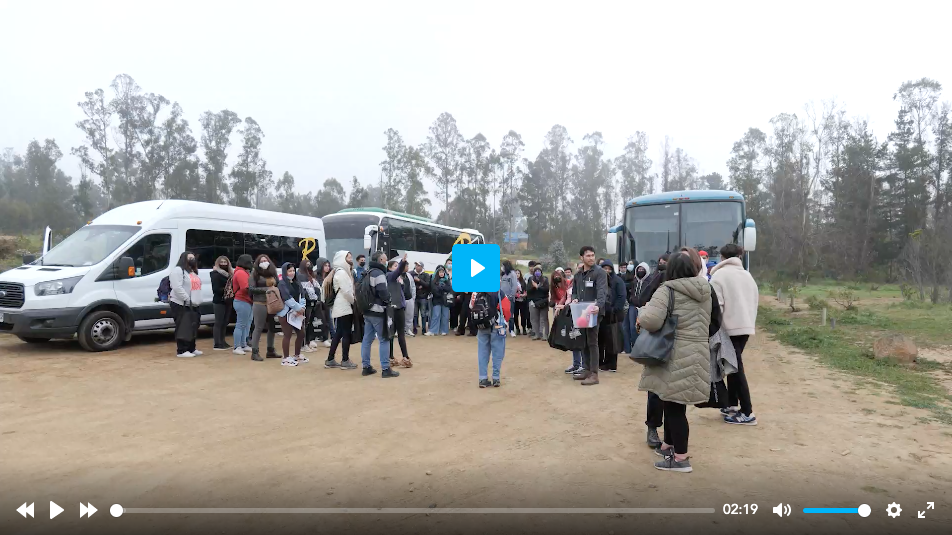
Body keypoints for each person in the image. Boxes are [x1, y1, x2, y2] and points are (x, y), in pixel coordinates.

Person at [636, 251, 714, 473]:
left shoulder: (667, 289)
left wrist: (643, 313)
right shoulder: (706, 290)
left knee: (674, 408)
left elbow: (652, 321)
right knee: (674, 403)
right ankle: (668, 445)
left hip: (674, 352)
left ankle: (680, 458)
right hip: (697, 350)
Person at [710, 244, 759, 426]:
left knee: (735, 368)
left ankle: (747, 412)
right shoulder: (747, 275)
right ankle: (731, 404)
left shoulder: (719, 276)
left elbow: (717, 306)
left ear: (722, 257)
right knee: (732, 366)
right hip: (745, 327)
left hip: (728, 329)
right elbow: (754, 301)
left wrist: (714, 329)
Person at [569, 246, 607, 385]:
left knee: (592, 342)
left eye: (592, 255)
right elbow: (574, 291)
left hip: (594, 312)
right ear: (581, 258)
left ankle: (594, 374)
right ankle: (586, 369)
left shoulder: (599, 272)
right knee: (583, 341)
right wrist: (574, 299)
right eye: (588, 256)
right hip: (581, 311)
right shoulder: (578, 275)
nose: (591, 258)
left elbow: (602, 291)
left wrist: (598, 305)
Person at [359, 251, 399, 377]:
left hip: (367, 310)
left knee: (367, 339)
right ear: (381, 260)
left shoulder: (367, 272)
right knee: (384, 339)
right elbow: (383, 292)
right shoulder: (379, 274)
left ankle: (366, 366)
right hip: (378, 311)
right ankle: (385, 368)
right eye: (385, 259)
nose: (386, 261)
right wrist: (388, 300)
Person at [324, 250, 358, 369]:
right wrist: (354, 302)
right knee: (346, 333)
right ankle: (345, 360)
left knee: (339, 333)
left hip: (341, 306)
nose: (351, 259)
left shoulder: (340, 272)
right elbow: (347, 291)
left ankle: (330, 359)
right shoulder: (342, 273)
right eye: (348, 257)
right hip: (345, 306)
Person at [170, 251, 203, 358]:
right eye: (190, 258)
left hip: (193, 304)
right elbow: (177, 287)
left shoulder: (192, 271)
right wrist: (187, 299)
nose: (192, 260)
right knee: (183, 327)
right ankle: (182, 350)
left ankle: (191, 348)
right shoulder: (178, 270)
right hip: (181, 304)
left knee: (193, 325)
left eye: (193, 258)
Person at [248, 254, 279, 361]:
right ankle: (254, 352)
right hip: (259, 303)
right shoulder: (254, 273)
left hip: (272, 303)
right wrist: (267, 289)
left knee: (272, 327)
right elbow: (251, 288)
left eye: (265, 260)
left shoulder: (273, 272)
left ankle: (270, 350)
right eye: (261, 261)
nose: (264, 262)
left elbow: (277, 284)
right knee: (259, 327)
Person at [474, 290, 508, 388]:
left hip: (481, 326)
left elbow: (471, 307)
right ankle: (496, 378)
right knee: (498, 352)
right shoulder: (499, 293)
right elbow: (506, 309)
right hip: (496, 325)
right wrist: (505, 321)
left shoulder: (477, 292)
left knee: (482, 352)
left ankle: (482, 378)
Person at [598, 260, 627, 373]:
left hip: (613, 316)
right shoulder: (599, 280)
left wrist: (614, 309)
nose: (607, 271)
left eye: (609, 269)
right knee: (600, 340)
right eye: (604, 268)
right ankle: (600, 362)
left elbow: (621, 296)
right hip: (600, 314)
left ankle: (611, 364)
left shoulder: (618, 281)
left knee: (612, 340)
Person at [276, 262, 307, 367]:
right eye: (289, 271)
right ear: (285, 272)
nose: (292, 273)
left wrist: (302, 307)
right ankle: (286, 358)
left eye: (293, 270)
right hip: (285, 313)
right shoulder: (282, 284)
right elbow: (287, 298)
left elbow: (302, 295)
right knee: (287, 334)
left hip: (296, 314)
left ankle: (297, 355)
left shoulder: (297, 283)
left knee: (301, 333)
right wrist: (298, 308)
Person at [387, 255, 413, 368]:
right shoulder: (389, 275)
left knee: (401, 333)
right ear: (389, 268)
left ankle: (405, 357)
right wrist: (402, 262)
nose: (397, 268)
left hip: (400, 307)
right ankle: (390, 357)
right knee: (391, 334)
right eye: (395, 266)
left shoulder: (399, 278)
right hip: (392, 308)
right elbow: (397, 272)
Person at [624, 262, 650, 354]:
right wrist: (631, 299)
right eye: (639, 269)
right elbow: (630, 293)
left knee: (641, 328)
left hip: (645, 307)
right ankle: (632, 348)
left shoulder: (650, 282)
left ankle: (641, 349)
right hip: (633, 306)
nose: (640, 271)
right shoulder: (634, 281)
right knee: (632, 328)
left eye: (643, 269)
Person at [230, 254, 253, 356]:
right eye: (250, 261)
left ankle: (243, 344)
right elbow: (245, 287)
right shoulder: (241, 273)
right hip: (242, 300)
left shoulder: (243, 272)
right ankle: (237, 346)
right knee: (241, 324)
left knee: (246, 324)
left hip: (246, 301)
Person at [210, 255, 233, 351]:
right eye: (221, 262)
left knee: (225, 322)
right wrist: (228, 289)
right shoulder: (215, 274)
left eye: (225, 262)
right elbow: (215, 289)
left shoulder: (230, 274)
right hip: (219, 300)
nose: (223, 264)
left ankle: (222, 341)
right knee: (218, 322)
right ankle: (217, 343)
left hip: (228, 300)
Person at [297, 258, 320, 354]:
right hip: (305, 302)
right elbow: (307, 289)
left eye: (309, 264)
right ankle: (303, 344)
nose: (309, 266)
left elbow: (316, 288)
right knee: (304, 324)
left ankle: (308, 342)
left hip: (312, 301)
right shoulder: (301, 275)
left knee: (309, 323)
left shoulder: (311, 275)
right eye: (306, 264)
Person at [313, 258, 334, 346]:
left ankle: (332, 336)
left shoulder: (330, 275)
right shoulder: (315, 276)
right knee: (320, 319)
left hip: (327, 300)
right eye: (325, 265)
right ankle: (318, 337)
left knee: (329, 319)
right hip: (318, 301)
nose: (327, 267)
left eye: (328, 265)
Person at [426, 265, 452, 336]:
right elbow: (434, 289)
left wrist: (442, 288)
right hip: (437, 299)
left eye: (442, 272)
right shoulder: (434, 280)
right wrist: (442, 290)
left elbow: (449, 288)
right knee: (436, 315)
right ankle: (433, 330)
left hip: (445, 300)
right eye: (440, 272)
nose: (441, 273)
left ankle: (444, 330)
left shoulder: (447, 280)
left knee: (445, 316)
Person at [526, 265, 550, 341]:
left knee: (544, 319)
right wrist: (533, 286)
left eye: (539, 271)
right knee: (534, 319)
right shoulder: (531, 279)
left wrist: (537, 287)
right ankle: (537, 334)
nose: (537, 272)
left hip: (543, 301)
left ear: (541, 272)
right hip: (534, 302)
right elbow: (528, 290)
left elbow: (546, 289)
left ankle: (545, 334)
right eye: (536, 271)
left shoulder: (545, 279)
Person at [500, 260, 520, 338]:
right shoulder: (502, 274)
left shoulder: (512, 274)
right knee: (501, 315)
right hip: (501, 297)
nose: (502, 267)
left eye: (503, 266)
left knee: (510, 315)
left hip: (509, 298)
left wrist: (511, 296)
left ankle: (511, 330)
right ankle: (502, 330)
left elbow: (514, 286)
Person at [411, 262, 431, 335]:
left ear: (422, 267)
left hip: (423, 297)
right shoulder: (411, 274)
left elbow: (427, 285)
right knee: (415, 314)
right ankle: (414, 328)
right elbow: (411, 285)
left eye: (419, 265)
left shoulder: (426, 275)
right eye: (416, 265)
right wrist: (418, 287)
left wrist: (419, 281)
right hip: (414, 297)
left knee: (423, 314)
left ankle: (424, 329)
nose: (417, 267)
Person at [513, 269, 529, 336]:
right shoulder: (512, 282)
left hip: (522, 301)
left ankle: (524, 328)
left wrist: (524, 294)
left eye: (518, 273)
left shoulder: (523, 282)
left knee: (523, 315)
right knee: (515, 315)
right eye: (516, 273)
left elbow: (525, 290)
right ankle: (517, 328)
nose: (517, 274)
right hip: (515, 301)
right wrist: (516, 295)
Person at [403, 261, 416, 337]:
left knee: (409, 315)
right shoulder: (397, 275)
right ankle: (397, 330)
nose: (407, 268)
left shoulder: (409, 275)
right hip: (400, 299)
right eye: (406, 266)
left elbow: (413, 286)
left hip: (409, 298)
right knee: (400, 316)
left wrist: (413, 297)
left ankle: (407, 329)